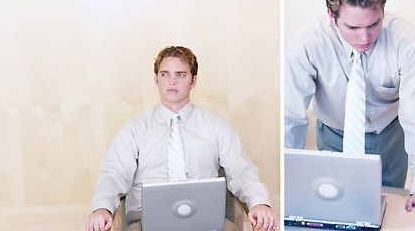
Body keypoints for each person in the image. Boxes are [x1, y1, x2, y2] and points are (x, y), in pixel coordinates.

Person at [285, 0, 415, 219]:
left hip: (391, 138)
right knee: (335, 213)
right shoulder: (307, 42)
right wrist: (290, 180)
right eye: (352, 27)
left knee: (387, 215)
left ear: (383, 11)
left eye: (374, 23)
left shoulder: (405, 41)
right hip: (334, 135)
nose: (365, 37)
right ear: (332, 16)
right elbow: (289, 117)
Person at [86, 46, 278, 231]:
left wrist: (259, 202)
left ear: (193, 81)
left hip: (206, 220)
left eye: (181, 74)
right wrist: (102, 208)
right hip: (147, 221)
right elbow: (113, 174)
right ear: (156, 79)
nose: (172, 81)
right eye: (165, 74)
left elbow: (242, 172)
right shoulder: (135, 129)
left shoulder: (216, 126)